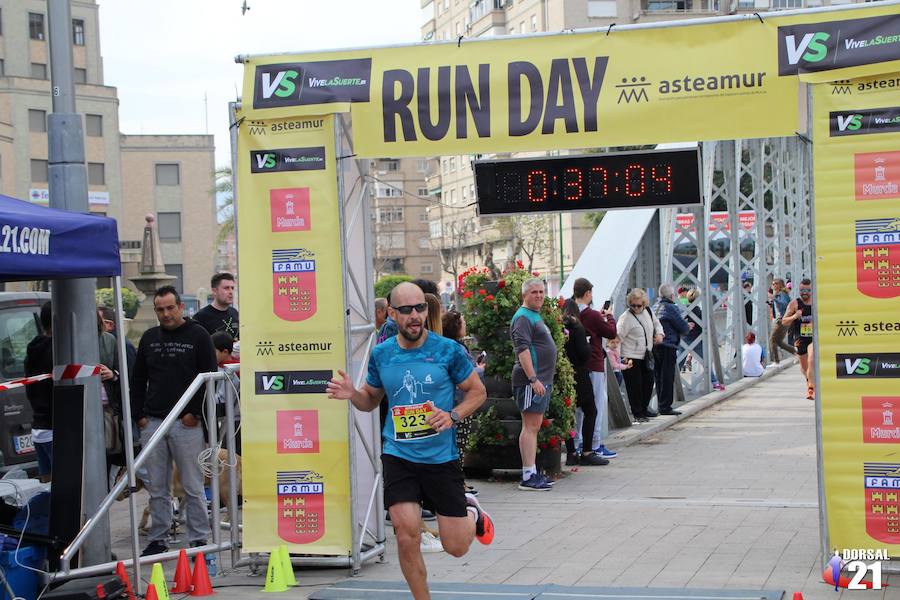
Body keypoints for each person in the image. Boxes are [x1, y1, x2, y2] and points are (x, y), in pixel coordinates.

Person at [325, 282, 493, 600]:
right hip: (399, 454)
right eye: (406, 310)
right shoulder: (381, 354)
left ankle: (473, 512)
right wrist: (352, 395)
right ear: (392, 314)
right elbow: (370, 400)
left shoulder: (448, 351)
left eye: (420, 309)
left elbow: (478, 392)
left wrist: (452, 416)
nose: (414, 316)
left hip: (441, 457)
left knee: (455, 547)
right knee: (405, 533)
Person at [132, 285, 217, 556]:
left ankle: (199, 539)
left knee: (192, 485)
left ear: (181, 307)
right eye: (160, 309)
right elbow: (137, 380)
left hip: (186, 422)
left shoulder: (199, 335)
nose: (166, 314)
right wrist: (140, 417)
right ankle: (158, 538)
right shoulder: (148, 338)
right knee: (158, 487)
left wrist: (193, 413)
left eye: (170, 308)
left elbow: (209, 377)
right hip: (153, 421)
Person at [511, 278, 558, 490]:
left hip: (541, 380)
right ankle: (528, 475)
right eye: (534, 292)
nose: (539, 295)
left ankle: (532, 471)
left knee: (534, 426)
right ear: (525, 295)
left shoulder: (534, 315)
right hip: (531, 381)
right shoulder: (522, 318)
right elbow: (522, 350)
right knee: (530, 427)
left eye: (541, 291)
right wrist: (533, 379)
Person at [572, 278, 618, 459]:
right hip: (594, 362)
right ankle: (594, 443)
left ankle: (577, 443)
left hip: (577, 365)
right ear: (587, 294)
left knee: (578, 408)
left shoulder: (571, 312)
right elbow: (611, 332)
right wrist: (609, 316)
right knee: (596, 405)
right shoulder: (592, 315)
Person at [561, 299, 607, 466]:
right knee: (590, 411)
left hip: (564, 376)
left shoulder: (559, 328)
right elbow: (584, 353)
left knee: (568, 415)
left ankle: (571, 452)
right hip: (579, 374)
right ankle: (587, 451)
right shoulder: (578, 328)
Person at [616, 289, 663, 423]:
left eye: (639, 305)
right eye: (633, 305)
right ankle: (638, 413)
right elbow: (618, 338)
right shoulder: (625, 318)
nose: (636, 308)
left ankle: (643, 409)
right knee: (634, 387)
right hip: (630, 356)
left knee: (648, 383)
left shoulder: (648, 312)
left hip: (646, 354)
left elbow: (657, 324)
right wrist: (619, 359)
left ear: (644, 304)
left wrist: (659, 334)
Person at [654, 283, 693, 416]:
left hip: (655, 346)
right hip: (668, 345)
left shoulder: (654, 307)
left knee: (658, 376)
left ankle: (661, 404)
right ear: (671, 296)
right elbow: (682, 327)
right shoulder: (671, 307)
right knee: (667, 376)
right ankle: (665, 407)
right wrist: (687, 326)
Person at [24, 301, 53, 482]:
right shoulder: (59, 350)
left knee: (48, 487)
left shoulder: (32, 351)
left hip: (39, 428)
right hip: (56, 428)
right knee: (67, 490)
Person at [682, 289, 724, 391]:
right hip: (697, 340)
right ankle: (714, 383)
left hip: (684, 340)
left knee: (678, 363)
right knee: (705, 363)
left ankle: (672, 385)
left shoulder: (683, 310)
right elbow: (703, 328)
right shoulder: (700, 312)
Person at [782, 278, 815, 400]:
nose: (805, 292)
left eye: (807, 290)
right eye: (802, 290)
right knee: (804, 367)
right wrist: (795, 316)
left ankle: (811, 388)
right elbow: (784, 322)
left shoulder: (817, 302)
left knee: (812, 360)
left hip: (814, 338)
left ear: (812, 290)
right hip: (800, 338)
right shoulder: (794, 304)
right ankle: (808, 381)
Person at [194, 272, 239, 339]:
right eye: (226, 288)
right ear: (214, 291)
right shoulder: (201, 317)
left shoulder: (234, 312)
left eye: (232, 288)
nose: (231, 292)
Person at [99, 306, 137, 375]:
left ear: (109, 324)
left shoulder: (124, 346)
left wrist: (114, 375)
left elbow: (130, 376)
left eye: (97, 321)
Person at [767, 278, 795, 364]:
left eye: (775, 283)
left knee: (772, 340)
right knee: (778, 341)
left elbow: (785, 304)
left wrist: (774, 299)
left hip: (782, 320)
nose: (773, 285)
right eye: (773, 284)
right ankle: (796, 352)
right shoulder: (780, 294)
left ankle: (776, 361)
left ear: (780, 285)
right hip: (783, 319)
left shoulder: (782, 294)